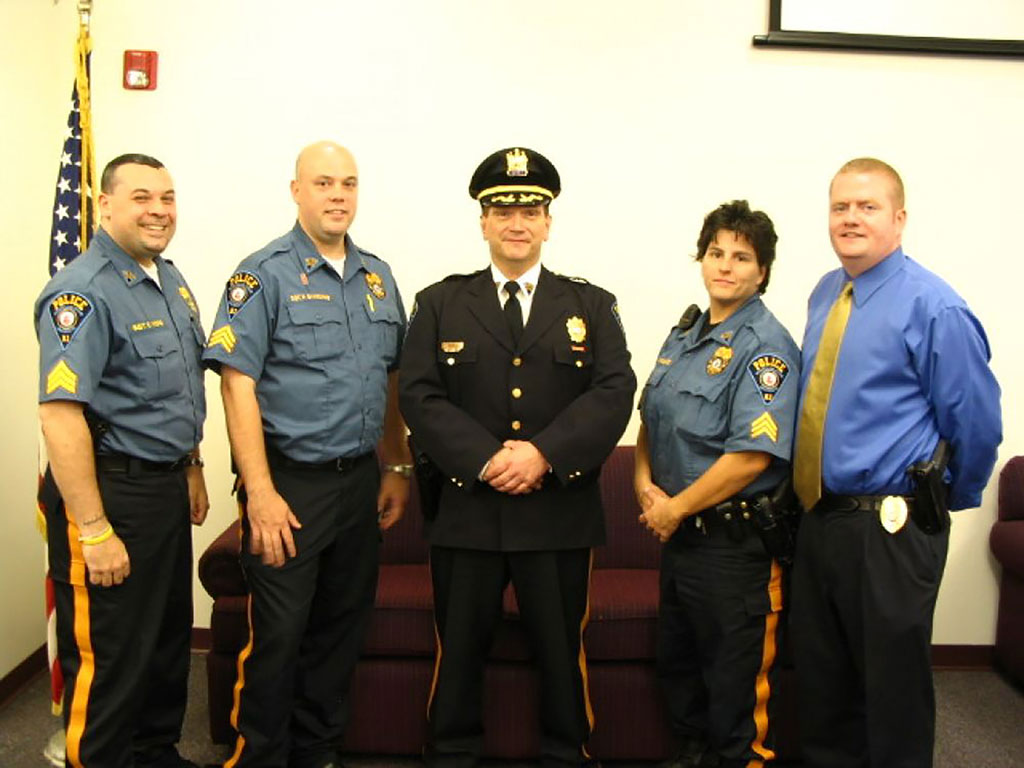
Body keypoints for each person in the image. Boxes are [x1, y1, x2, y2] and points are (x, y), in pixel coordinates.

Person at [398, 147, 636, 767]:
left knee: (560, 652)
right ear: (482, 221)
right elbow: (417, 394)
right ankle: (451, 753)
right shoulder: (440, 303)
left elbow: (614, 391)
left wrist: (542, 455)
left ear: (549, 221)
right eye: (502, 209)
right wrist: (484, 459)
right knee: (459, 652)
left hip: (557, 510)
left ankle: (565, 752)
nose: (517, 222)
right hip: (468, 509)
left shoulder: (590, 305)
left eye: (530, 209)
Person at [202, 140, 411, 768]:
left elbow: (393, 376)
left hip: (357, 483)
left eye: (348, 184)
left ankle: (317, 751)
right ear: (296, 191)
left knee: (340, 629)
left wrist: (397, 465)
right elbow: (236, 383)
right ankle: (260, 757)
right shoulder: (261, 274)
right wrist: (259, 493)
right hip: (289, 486)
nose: (338, 195)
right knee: (279, 636)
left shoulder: (377, 275)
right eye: (324, 183)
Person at [790, 157, 1002, 768]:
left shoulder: (933, 306)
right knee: (823, 683)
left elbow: (977, 422)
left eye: (867, 206)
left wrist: (936, 506)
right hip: (820, 520)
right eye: (840, 207)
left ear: (900, 218)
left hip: (892, 525)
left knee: (892, 691)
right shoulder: (826, 292)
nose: (850, 218)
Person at [35, 153, 208, 768]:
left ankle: (154, 753)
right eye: (141, 197)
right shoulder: (81, 291)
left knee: (163, 641)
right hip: (110, 492)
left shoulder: (166, 277)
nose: (159, 210)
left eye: (167, 196)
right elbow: (60, 415)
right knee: (111, 656)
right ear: (105, 205)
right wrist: (93, 527)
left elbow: (173, 388)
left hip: (160, 488)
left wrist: (191, 465)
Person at [634, 201, 800, 768]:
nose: (725, 266)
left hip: (736, 549)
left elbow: (752, 457)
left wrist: (673, 507)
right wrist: (644, 489)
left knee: (734, 695)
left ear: (762, 272)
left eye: (742, 257)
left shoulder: (767, 348)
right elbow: (650, 419)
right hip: (682, 539)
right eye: (715, 253)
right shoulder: (684, 335)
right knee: (679, 673)